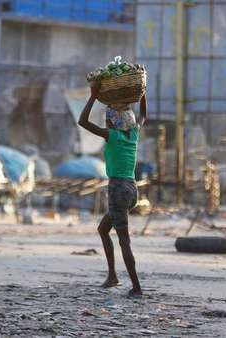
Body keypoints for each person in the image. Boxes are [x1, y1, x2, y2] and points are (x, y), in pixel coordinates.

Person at [78, 84, 146, 298]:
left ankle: (136, 287)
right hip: (132, 190)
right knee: (103, 229)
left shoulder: (112, 136)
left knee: (124, 241)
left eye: (109, 119)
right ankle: (112, 276)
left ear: (114, 123)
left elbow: (83, 121)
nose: (107, 121)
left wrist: (93, 96)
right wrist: (142, 94)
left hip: (118, 190)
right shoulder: (133, 133)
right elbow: (143, 114)